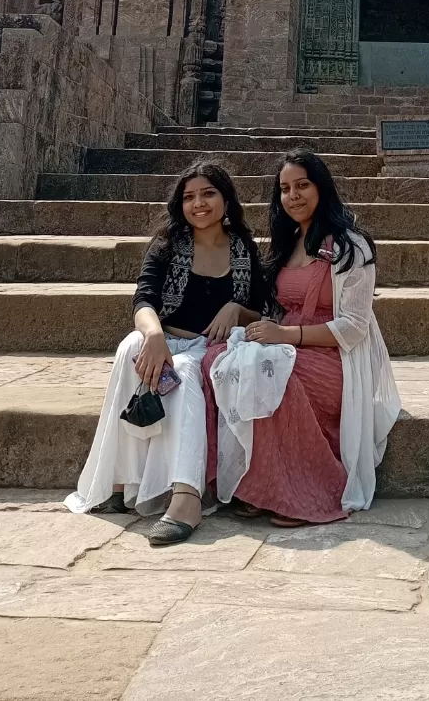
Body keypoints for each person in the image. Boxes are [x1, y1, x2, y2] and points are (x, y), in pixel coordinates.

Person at [65, 160, 266, 545]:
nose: (199, 203)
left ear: (226, 199)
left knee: (188, 372)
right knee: (130, 347)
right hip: (164, 337)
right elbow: (144, 298)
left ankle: (186, 495)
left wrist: (235, 309)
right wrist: (155, 336)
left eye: (208, 193)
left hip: (210, 349)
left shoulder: (244, 249)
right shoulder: (168, 245)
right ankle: (124, 481)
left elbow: (261, 308)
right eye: (189, 196)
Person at [202, 149, 401, 526]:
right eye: (285, 188)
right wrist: (245, 318)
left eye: (302, 186)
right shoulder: (288, 242)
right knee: (217, 359)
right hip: (286, 345)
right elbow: (276, 311)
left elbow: (354, 326)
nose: (293, 195)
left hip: (336, 358)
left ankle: (307, 491)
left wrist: (285, 336)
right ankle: (257, 484)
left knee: (271, 373)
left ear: (321, 188)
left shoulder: (350, 247)